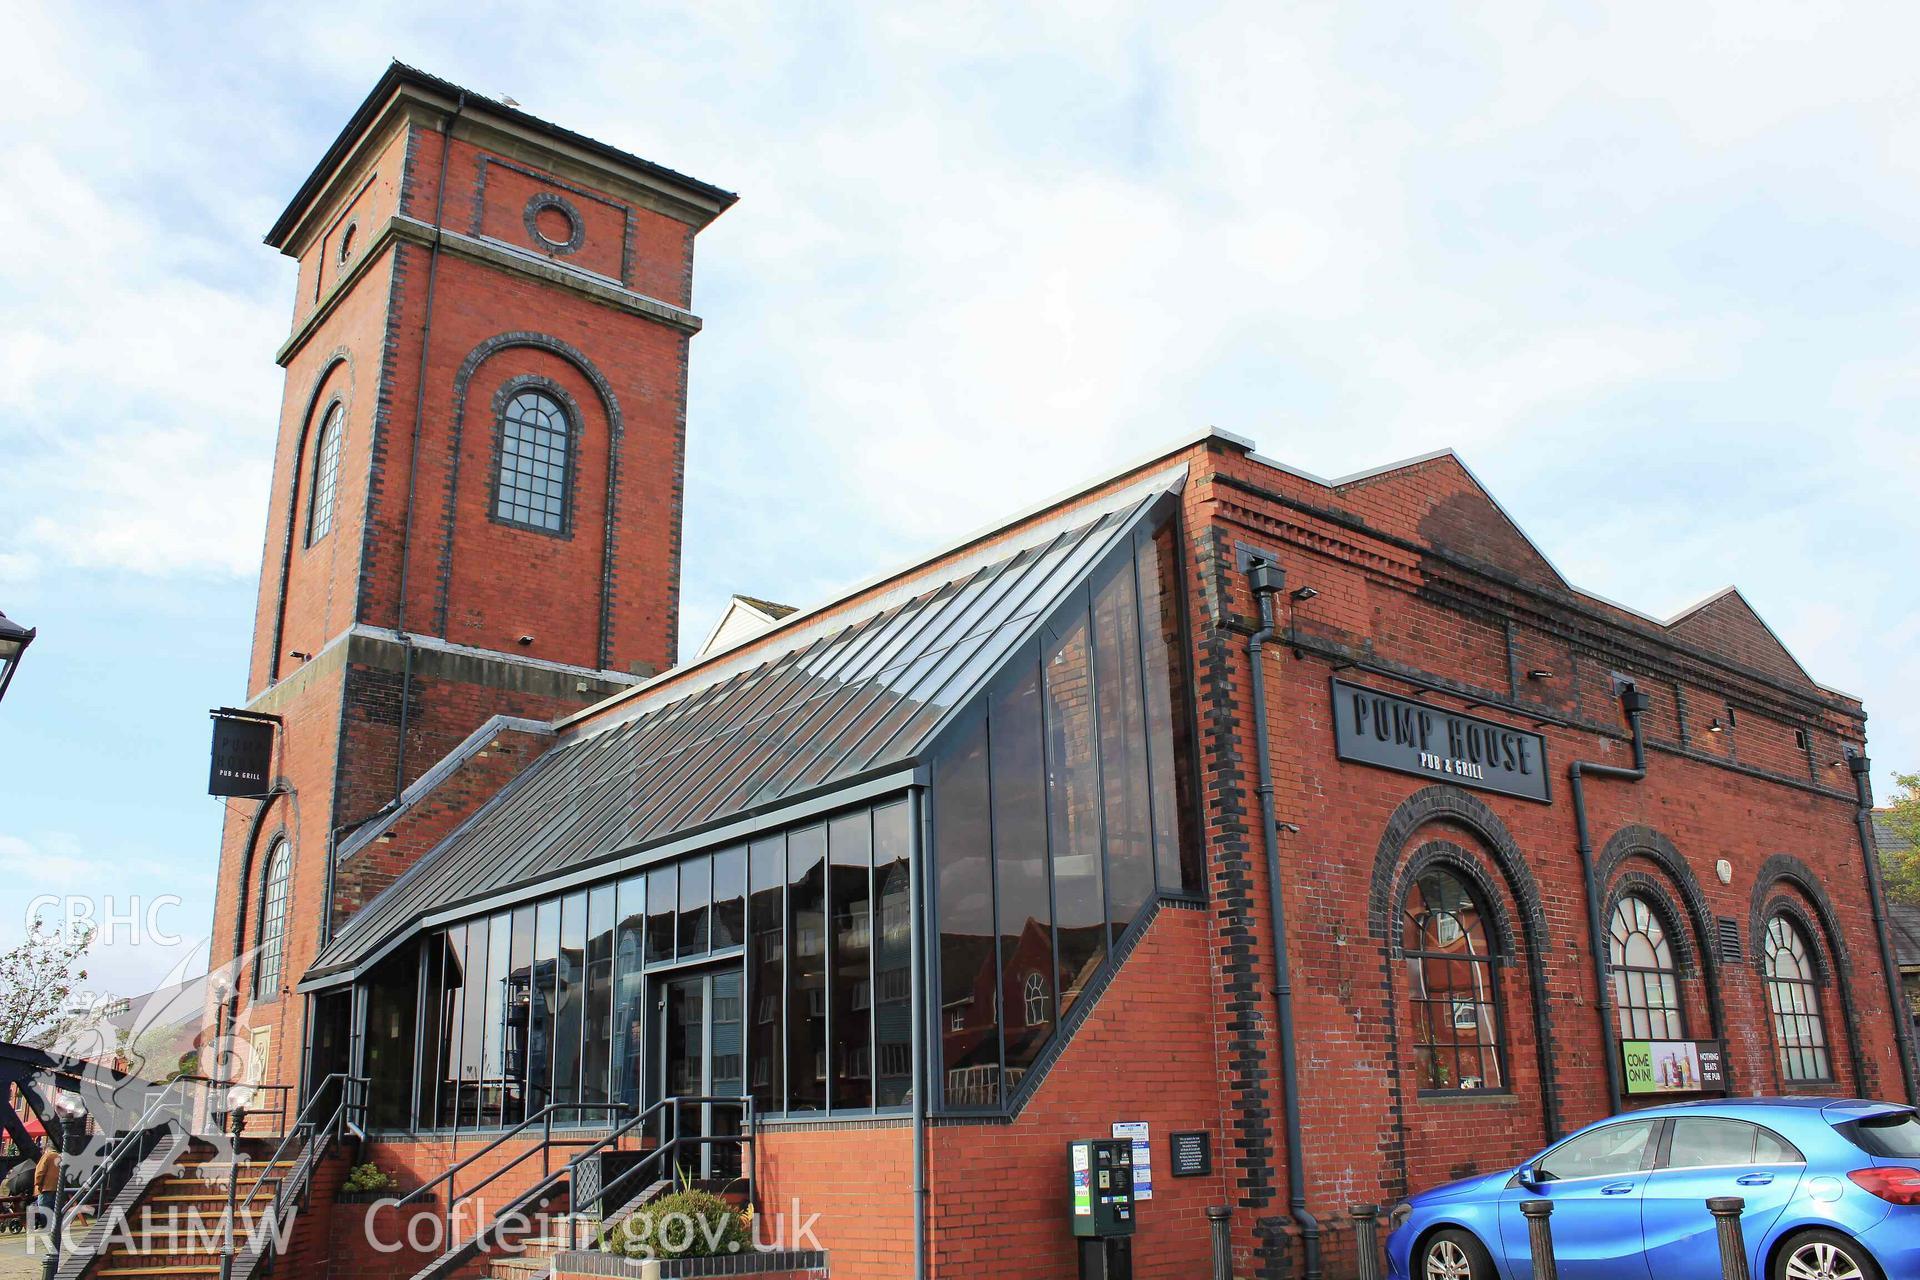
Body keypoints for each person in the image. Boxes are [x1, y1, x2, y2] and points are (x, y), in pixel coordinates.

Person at [32, 1140, 58, 1238]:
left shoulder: (47, 1156)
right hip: (57, 1187)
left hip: (45, 1187)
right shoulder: (60, 1157)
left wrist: (37, 1184)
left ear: (46, 1149)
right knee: (55, 1208)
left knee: (44, 1208)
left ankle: (45, 1228)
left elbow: (40, 1172)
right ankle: (54, 1227)